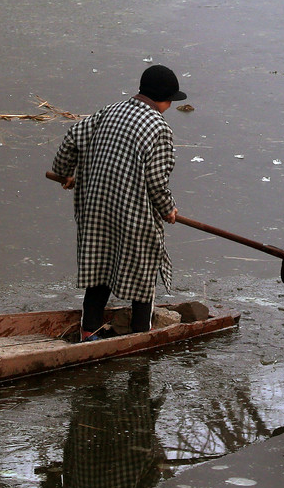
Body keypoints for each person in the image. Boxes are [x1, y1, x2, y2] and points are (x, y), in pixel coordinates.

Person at [51, 65, 187, 340]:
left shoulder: (110, 110)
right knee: (143, 267)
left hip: (96, 206)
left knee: (99, 263)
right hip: (131, 212)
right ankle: (139, 334)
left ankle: (88, 330)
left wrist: (65, 171)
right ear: (165, 99)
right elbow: (156, 181)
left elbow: (72, 138)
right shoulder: (159, 128)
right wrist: (168, 209)